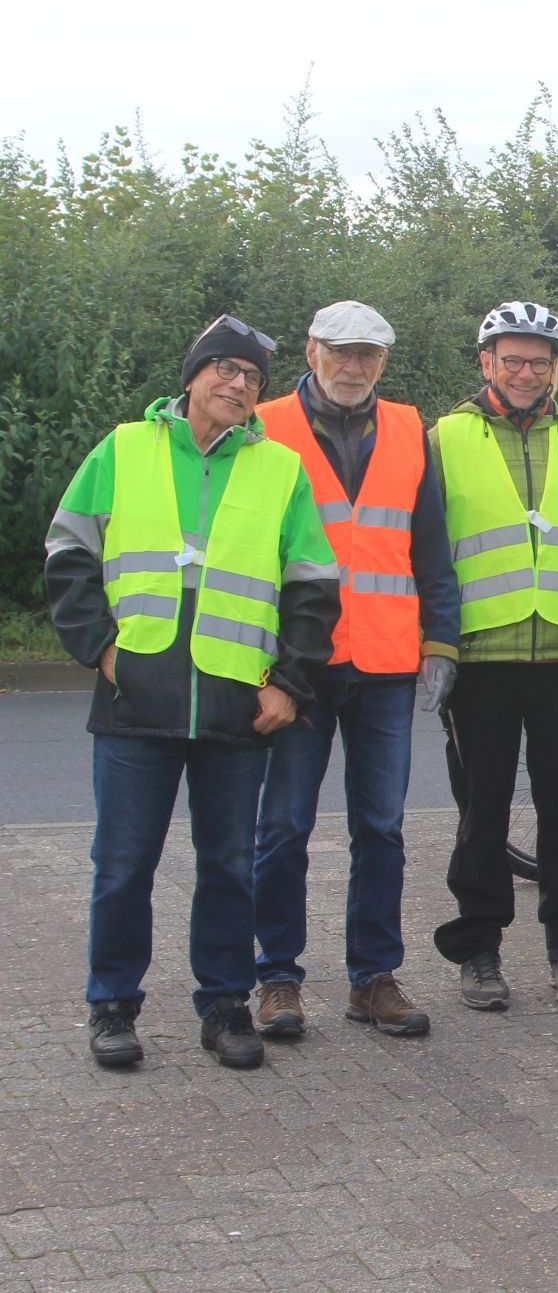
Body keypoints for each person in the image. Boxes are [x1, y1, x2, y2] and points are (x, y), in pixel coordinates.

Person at [45, 315, 338, 1069]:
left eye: (252, 378)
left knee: (230, 867)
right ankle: (112, 1005)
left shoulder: (281, 470)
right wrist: (101, 649)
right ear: (193, 375)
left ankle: (225, 1006)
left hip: (238, 703)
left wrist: (291, 685)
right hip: (135, 701)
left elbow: (312, 587)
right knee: (123, 865)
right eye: (225, 369)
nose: (238, 385)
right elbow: (68, 551)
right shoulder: (122, 448)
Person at [250, 301, 458, 1040]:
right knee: (284, 826)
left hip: (385, 660)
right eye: (340, 351)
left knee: (381, 827)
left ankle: (373, 977)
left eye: (367, 353)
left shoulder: (406, 429)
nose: (353, 365)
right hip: (296, 663)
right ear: (311, 351)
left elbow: (430, 546)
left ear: (383, 362)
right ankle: (277, 976)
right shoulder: (265, 425)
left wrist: (442, 641)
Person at [430, 301, 558, 1011]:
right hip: (479, 656)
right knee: (481, 812)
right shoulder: (446, 437)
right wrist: (432, 642)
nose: (525, 373)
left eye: (539, 362)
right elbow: (426, 547)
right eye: (512, 360)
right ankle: (478, 951)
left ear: (555, 369)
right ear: (486, 362)